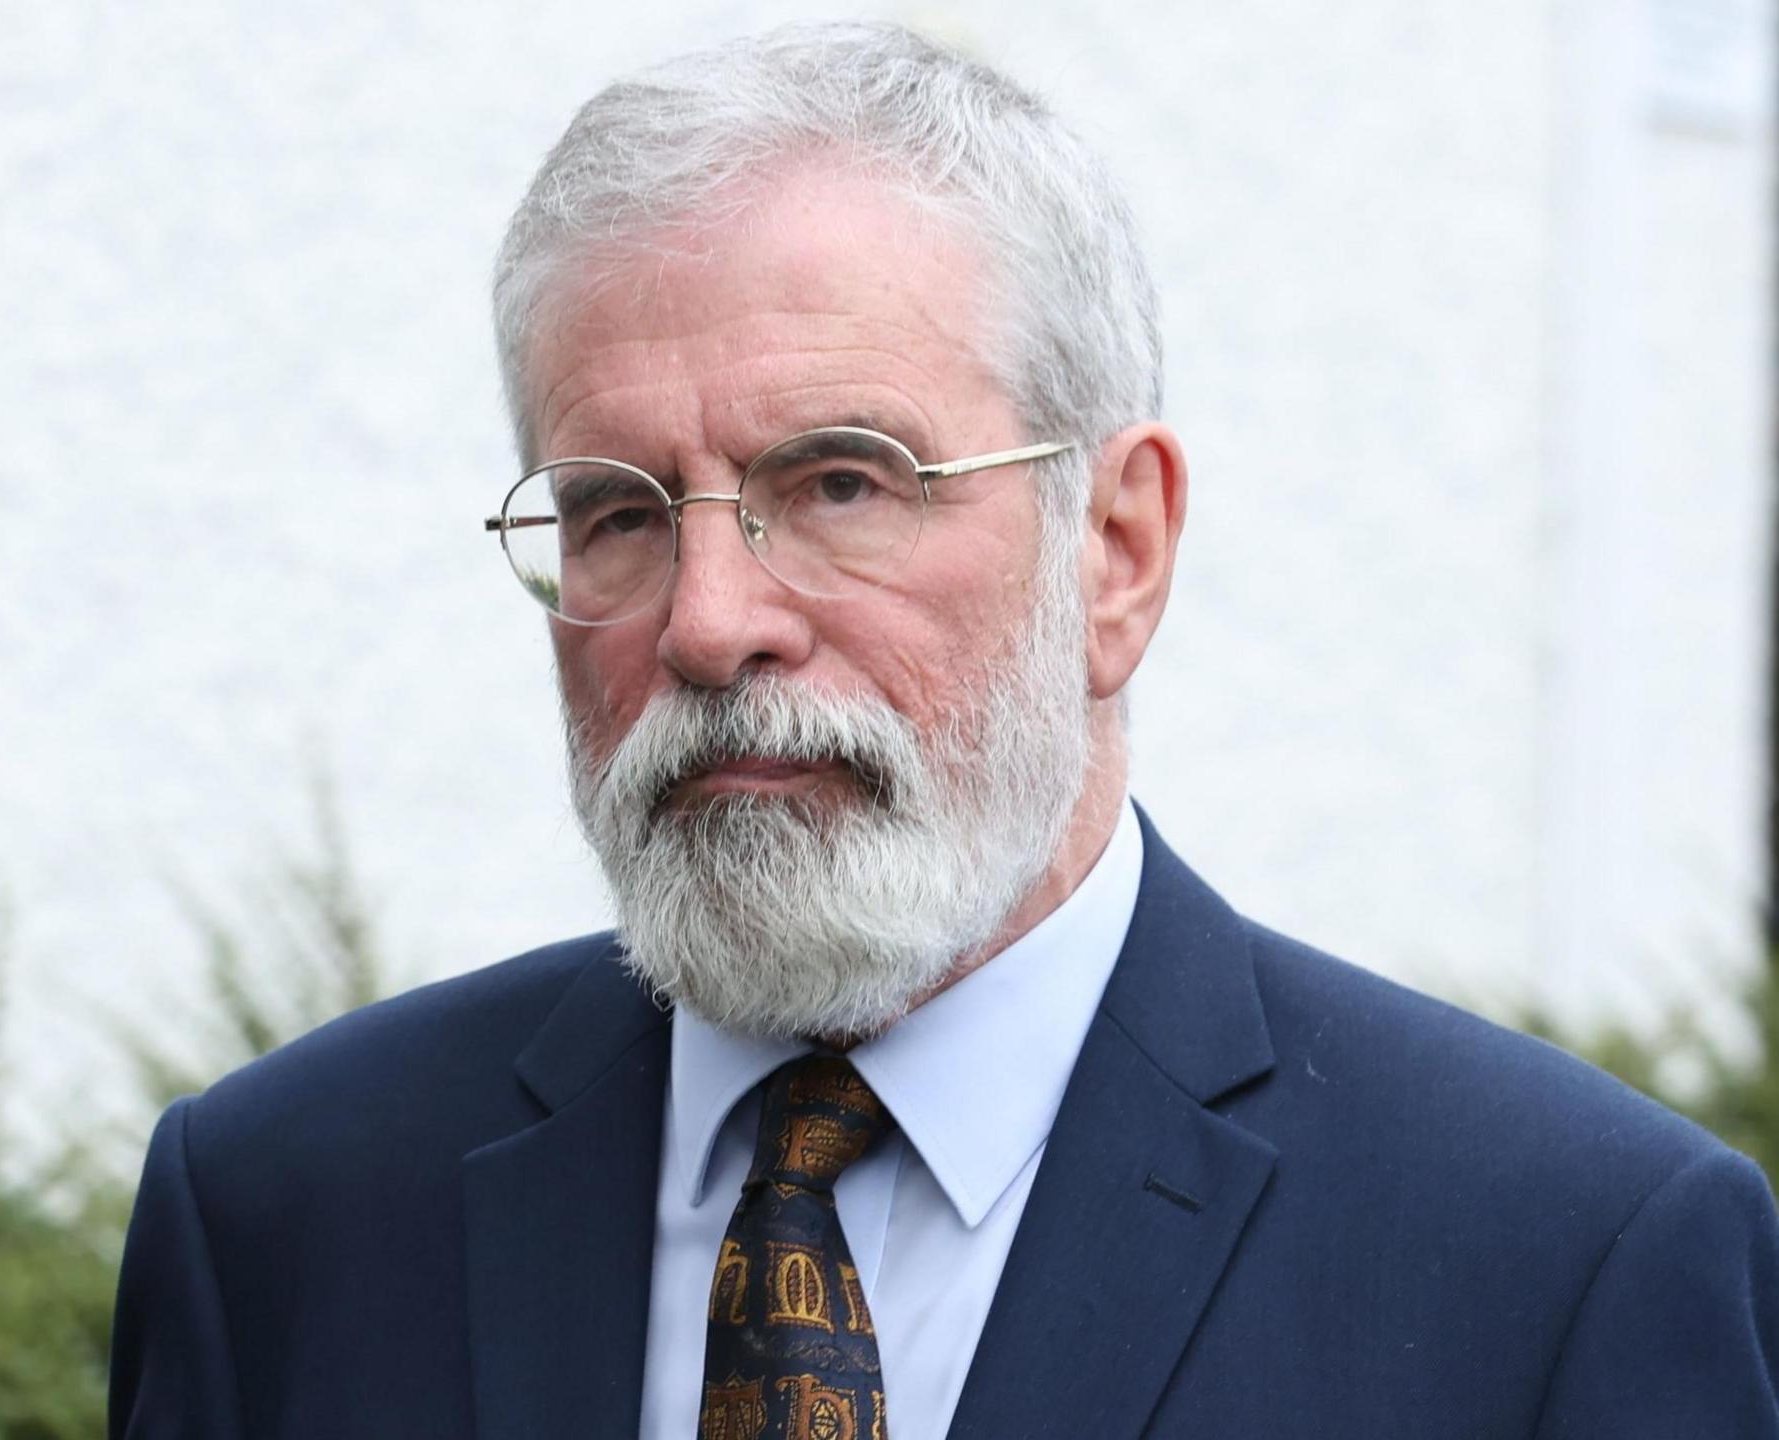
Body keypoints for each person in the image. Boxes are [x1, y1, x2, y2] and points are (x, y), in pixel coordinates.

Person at [109, 22, 1779, 1439]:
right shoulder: (289, 1210)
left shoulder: (1559, 1262)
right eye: (617, 513)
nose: (706, 622)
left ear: (1115, 553)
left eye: (838, 483)